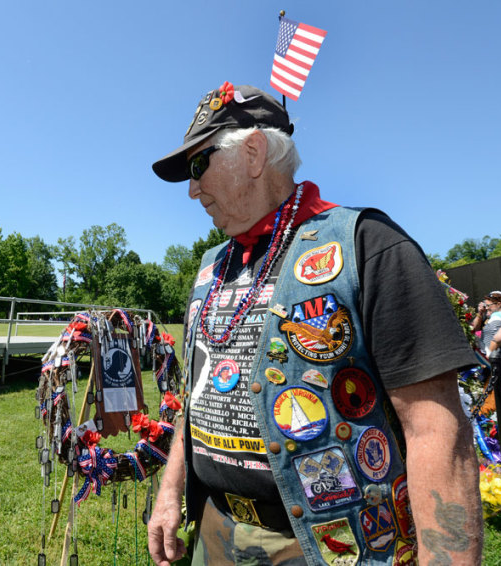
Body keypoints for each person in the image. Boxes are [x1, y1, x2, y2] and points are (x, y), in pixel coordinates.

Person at [147, 82, 482, 565]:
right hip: (216, 532)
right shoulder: (210, 267)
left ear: (255, 152)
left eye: (199, 166)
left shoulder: (367, 244)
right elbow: (194, 399)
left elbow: (436, 431)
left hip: (328, 547)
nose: (193, 189)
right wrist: (169, 492)